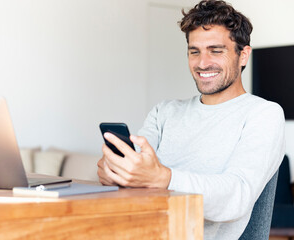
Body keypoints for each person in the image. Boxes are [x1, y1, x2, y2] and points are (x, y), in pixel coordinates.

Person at [97, 0, 285, 239]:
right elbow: (138, 169)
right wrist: (116, 170)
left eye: (216, 50)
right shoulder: (164, 112)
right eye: (194, 51)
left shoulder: (263, 114)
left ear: (243, 55)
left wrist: (164, 179)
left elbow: (237, 195)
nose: (202, 63)